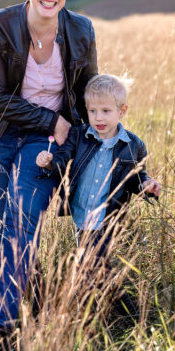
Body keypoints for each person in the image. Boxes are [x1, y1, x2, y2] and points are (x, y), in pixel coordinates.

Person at [0, 0, 97, 336]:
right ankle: (35, 300)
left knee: (21, 225)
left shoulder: (81, 30)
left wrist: (100, 141)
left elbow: (86, 95)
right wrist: (49, 117)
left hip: (44, 144)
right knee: (5, 229)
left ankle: (1, 328)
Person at [35, 74, 161, 297]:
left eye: (106, 111)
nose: (98, 117)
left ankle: (88, 306)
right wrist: (50, 162)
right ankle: (113, 302)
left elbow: (136, 177)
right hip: (81, 214)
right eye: (92, 111)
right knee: (95, 265)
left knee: (91, 263)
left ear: (122, 111)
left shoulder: (132, 146)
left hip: (108, 216)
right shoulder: (79, 135)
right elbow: (64, 159)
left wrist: (147, 186)